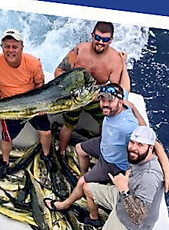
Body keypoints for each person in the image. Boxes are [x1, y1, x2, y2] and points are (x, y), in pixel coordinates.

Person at [45, 84, 169, 222]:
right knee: (79, 148)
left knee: (82, 184)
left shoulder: (128, 126)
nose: (105, 105)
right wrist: (133, 106)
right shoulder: (121, 97)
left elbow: (154, 143)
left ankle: (83, 213)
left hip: (113, 162)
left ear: (120, 102)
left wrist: (168, 172)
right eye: (103, 100)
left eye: (110, 101)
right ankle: (84, 173)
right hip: (105, 144)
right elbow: (124, 83)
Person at [52, 126, 165, 230]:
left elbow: (139, 216)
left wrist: (124, 189)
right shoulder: (141, 157)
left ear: (150, 148)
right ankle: (94, 218)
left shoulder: (150, 178)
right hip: (122, 198)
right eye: (132, 142)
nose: (133, 148)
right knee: (87, 187)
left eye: (140, 145)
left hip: (130, 222)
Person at [0, 29, 56, 177]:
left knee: (46, 132)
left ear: (22, 47)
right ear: (2, 47)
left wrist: (41, 106)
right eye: (7, 46)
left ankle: (47, 156)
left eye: (14, 47)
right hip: (9, 106)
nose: (10, 50)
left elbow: (40, 86)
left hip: (33, 103)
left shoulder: (34, 63)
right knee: (7, 137)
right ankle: (5, 162)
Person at [54, 22, 131, 155]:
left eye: (105, 39)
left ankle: (102, 153)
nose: (100, 42)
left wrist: (97, 96)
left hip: (96, 99)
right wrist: (66, 90)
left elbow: (114, 89)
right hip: (74, 98)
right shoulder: (79, 50)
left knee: (105, 123)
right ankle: (61, 152)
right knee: (68, 125)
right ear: (92, 36)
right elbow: (60, 70)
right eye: (97, 37)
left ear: (111, 40)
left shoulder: (115, 60)